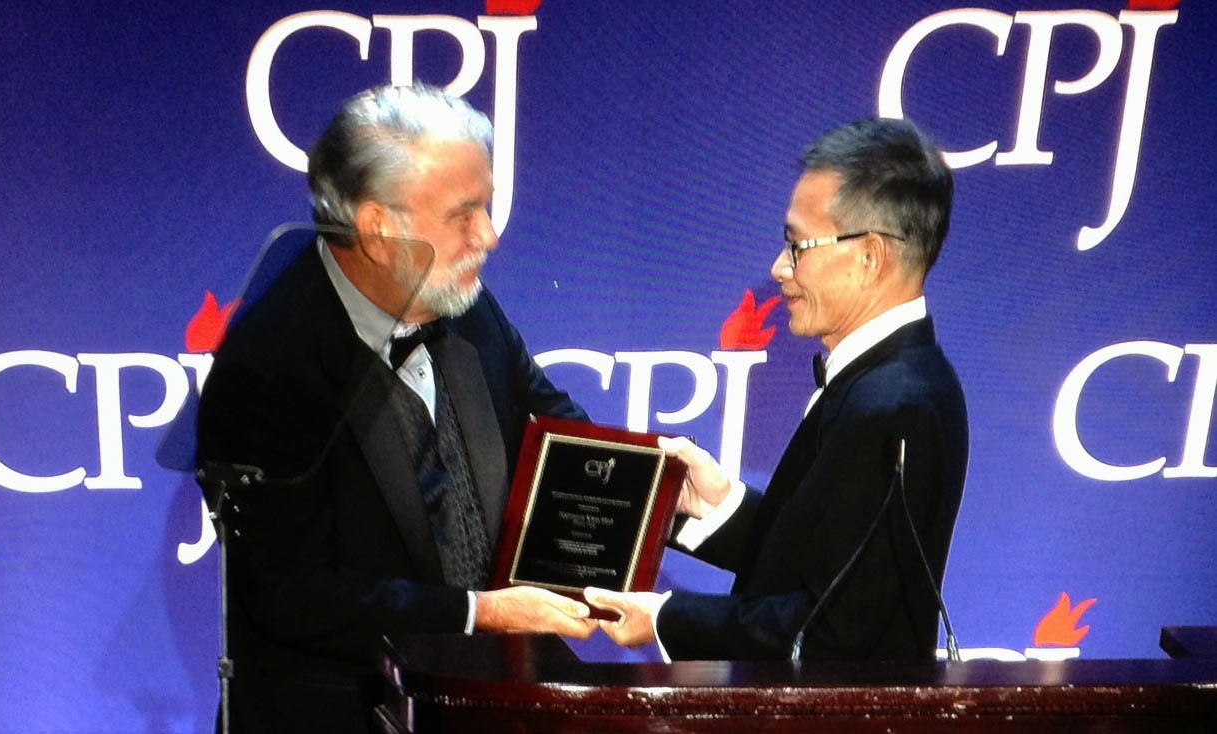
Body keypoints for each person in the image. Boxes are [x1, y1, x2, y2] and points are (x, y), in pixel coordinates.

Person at [196, 84, 596, 733]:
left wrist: (656, 495)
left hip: (480, 711)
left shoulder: (469, 307)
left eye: (487, 206)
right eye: (464, 214)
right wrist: (481, 614)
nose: (490, 236)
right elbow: (294, 596)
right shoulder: (268, 369)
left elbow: (561, 431)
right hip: (340, 716)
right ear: (379, 229)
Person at [585, 117, 968, 662]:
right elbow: (820, 565)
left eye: (797, 245)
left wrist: (666, 619)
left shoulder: (892, 404)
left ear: (870, 257)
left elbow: (831, 633)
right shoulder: (888, 380)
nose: (780, 268)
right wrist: (721, 506)